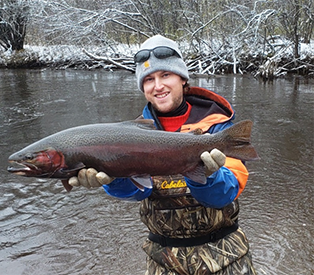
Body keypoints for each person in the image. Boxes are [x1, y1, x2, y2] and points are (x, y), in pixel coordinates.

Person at [68, 35, 257, 275]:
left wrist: (208, 176)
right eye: (148, 79)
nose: (158, 86)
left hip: (225, 255)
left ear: (182, 78)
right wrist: (113, 178)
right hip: (163, 261)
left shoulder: (217, 126)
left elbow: (226, 193)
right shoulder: (132, 133)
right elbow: (139, 190)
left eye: (165, 75)